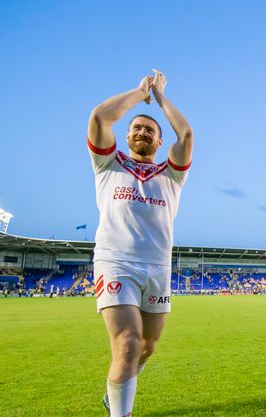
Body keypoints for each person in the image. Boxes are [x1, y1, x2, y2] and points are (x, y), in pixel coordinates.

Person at [88, 70, 193, 417]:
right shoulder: (108, 164)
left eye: (150, 130)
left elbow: (187, 133)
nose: (143, 132)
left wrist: (161, 97)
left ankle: (116, 392)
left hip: (158, 267)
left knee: (147, 347)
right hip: (116, 261)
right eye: (136, 128)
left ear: (159, 142)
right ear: (127, 135)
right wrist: (140, 92)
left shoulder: (171, 175)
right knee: (128, 343)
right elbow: (100, 117)